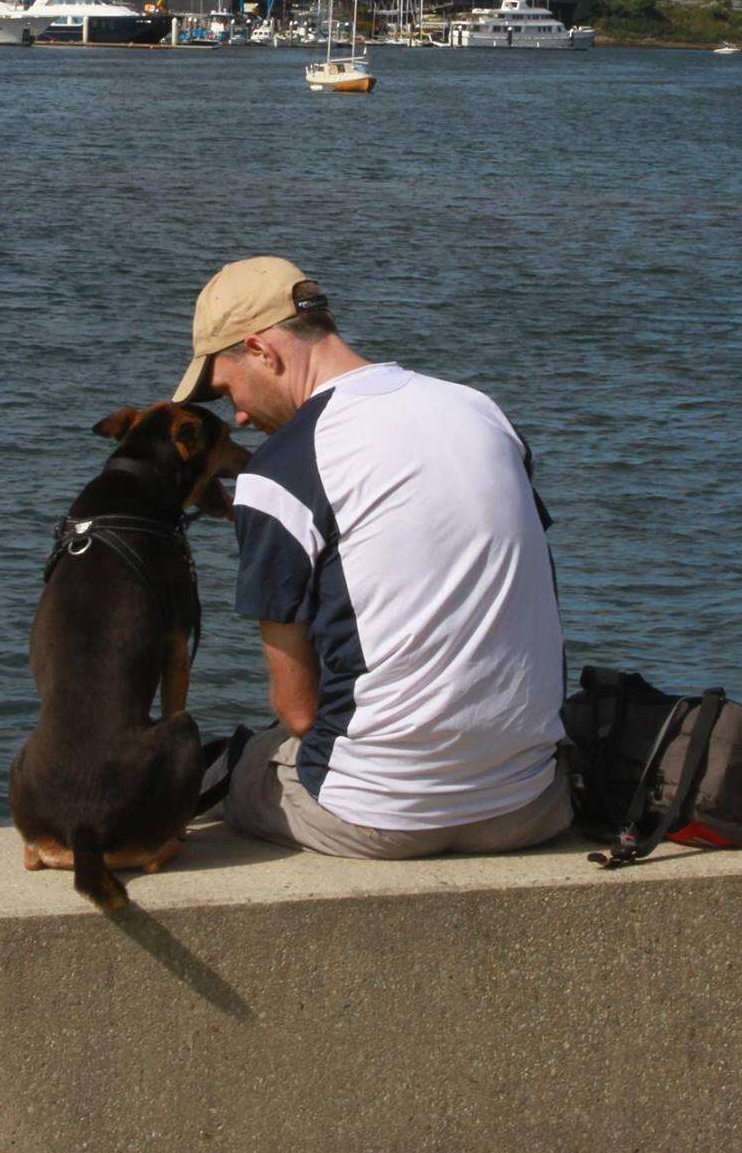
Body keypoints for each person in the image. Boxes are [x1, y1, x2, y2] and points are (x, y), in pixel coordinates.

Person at [174, 255, 572, 859]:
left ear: (262, 350)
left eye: (228, 389)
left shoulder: (276, 474)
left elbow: (300, 710)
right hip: (531, 806)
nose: (240, 417)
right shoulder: (480, 412)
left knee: (247, 764)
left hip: (376, 816)